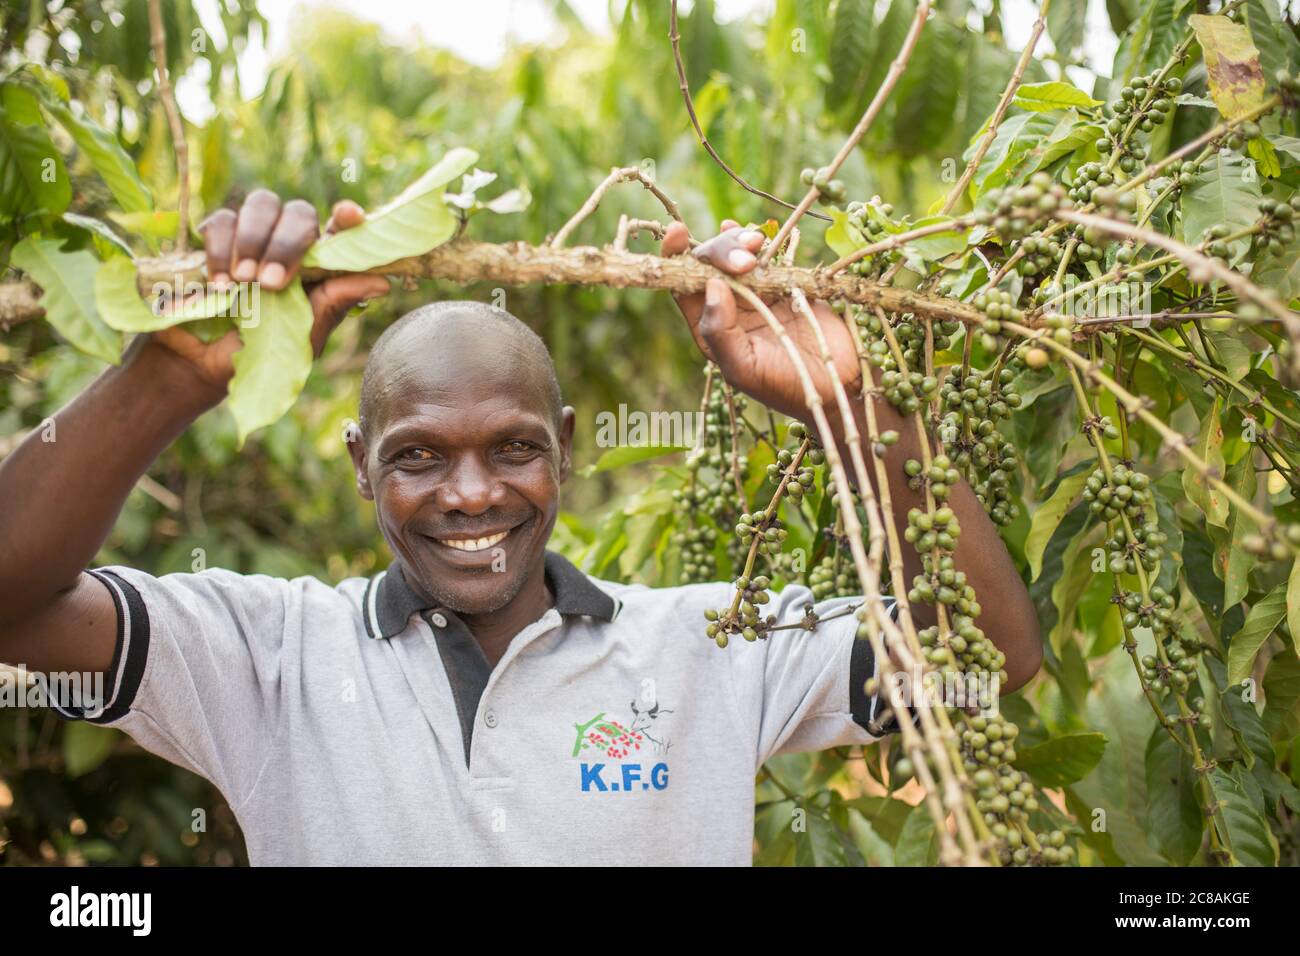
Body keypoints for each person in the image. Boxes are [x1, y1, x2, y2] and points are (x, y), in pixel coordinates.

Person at [0, 191, 1041, 865]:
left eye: (511, 447)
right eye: (416, 454)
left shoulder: (715, 646)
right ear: (361, 461)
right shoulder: (262, 654)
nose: (469, 493)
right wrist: (166, 377)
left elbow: (987, 658)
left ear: (568, 447)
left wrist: (854, 408)